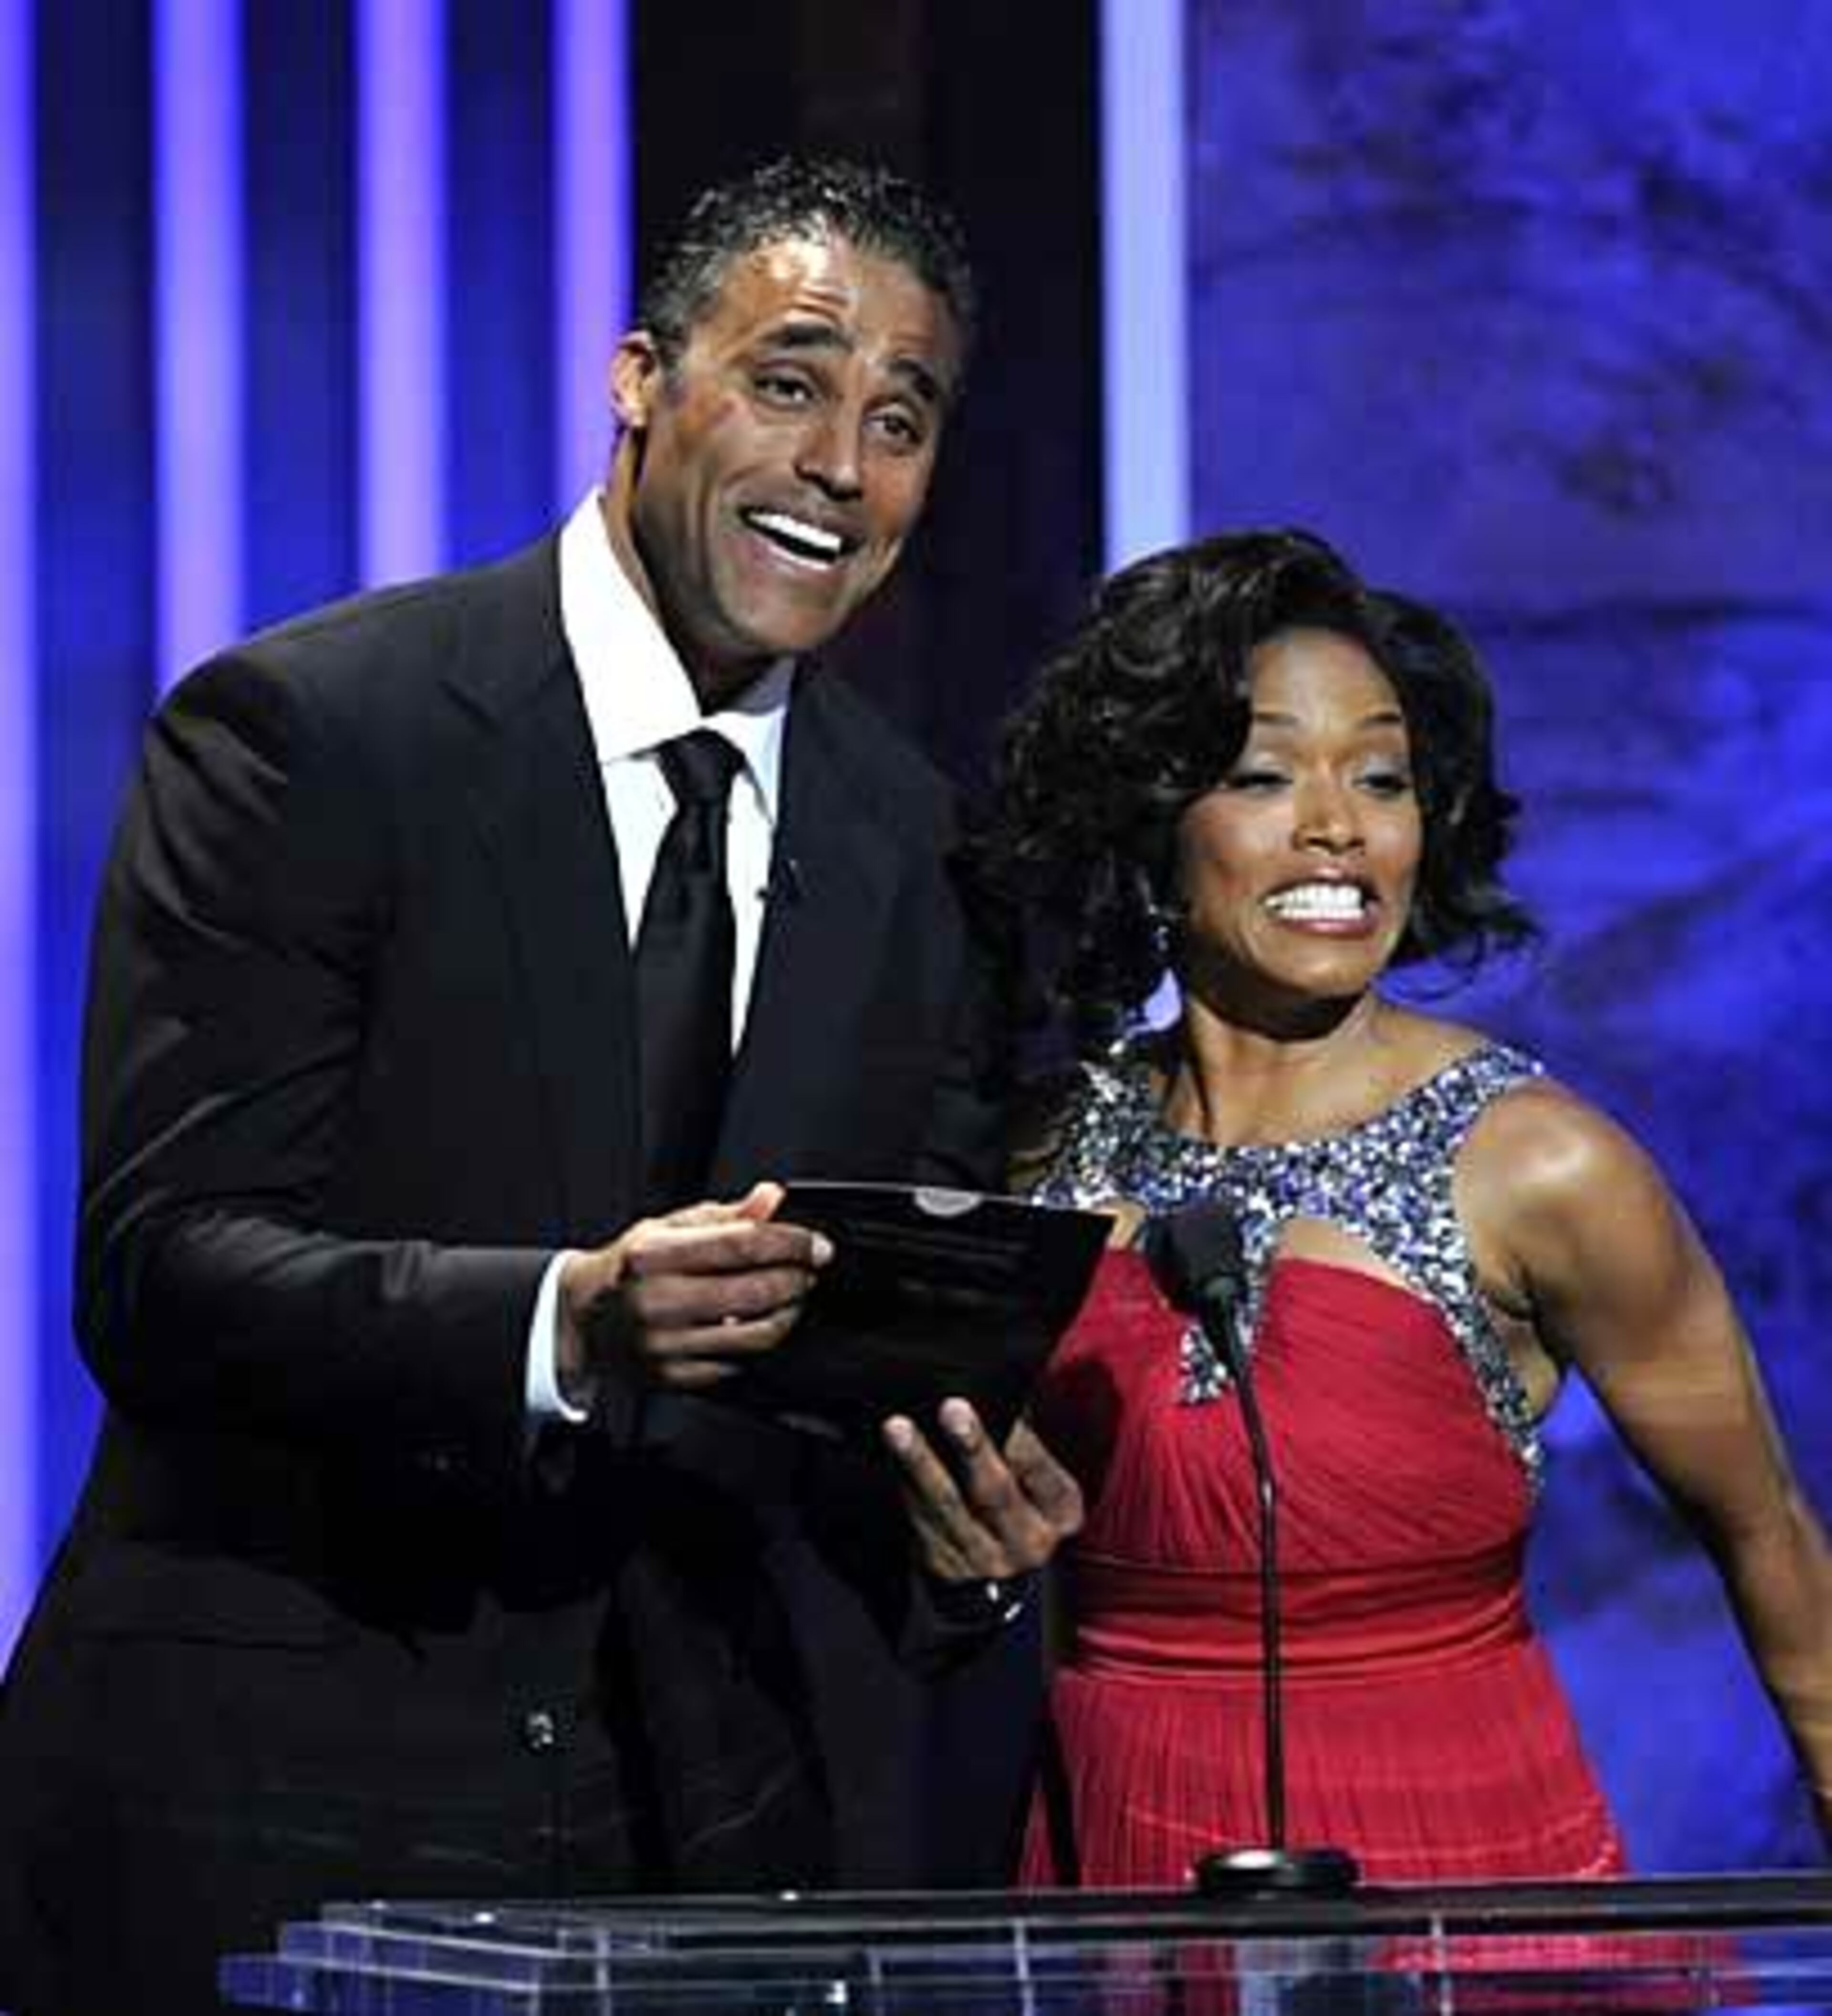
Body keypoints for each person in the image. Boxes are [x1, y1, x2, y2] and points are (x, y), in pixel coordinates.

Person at [0, 156, 1082, 2015]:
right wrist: (559, 1323)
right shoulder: (317, 733)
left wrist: (960, 1545)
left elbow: (849, 1408)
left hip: (702, 1841)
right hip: (274, 1802)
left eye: (900, 420)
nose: (842, 462)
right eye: (792, 379)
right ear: (640, 376)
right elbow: (161, 1269)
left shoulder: (916, 852)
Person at [977, 527, 1832, 1887]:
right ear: (1146, 819)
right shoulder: (1036, 1157)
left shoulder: (1542, 1165)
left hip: (1458, 1872)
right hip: (1111, 1859)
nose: (1341, 825)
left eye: (1383, 776)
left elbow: (1767, 1528)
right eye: (1265, 773)